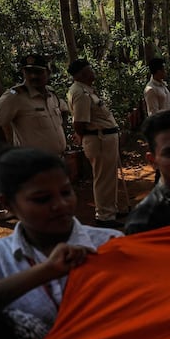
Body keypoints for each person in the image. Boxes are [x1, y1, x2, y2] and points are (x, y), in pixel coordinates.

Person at [0, 148, 121, 339]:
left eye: (66, 192)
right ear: (8, 204)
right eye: (42, 199)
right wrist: (46, 271)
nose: (60, 204)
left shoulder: (110, 243)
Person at [66, 59, 125, 228]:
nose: (93, 72)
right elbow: (79, 123)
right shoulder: (80, 93)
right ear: (81, 73)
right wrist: (85, 137)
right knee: (102, 178)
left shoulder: (86, 90)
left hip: (104, 138)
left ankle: (109, 210)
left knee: (108, 177)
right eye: (89, 69)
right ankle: (104, 216)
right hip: (98, 139)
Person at [0, 54, 67, 156]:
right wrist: (5, 153)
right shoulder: (14, 95)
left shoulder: (51, 93)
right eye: (29, 72)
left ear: (48, 72)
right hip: (32, 163)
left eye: (38, 72)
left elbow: (63, 110)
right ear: (23, 73)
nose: (33, 76)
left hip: (57, 160)